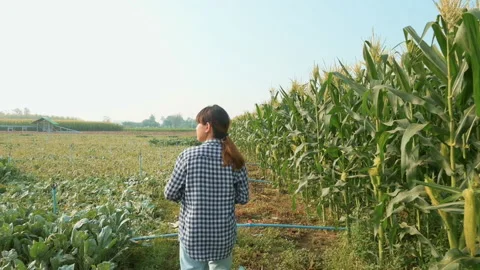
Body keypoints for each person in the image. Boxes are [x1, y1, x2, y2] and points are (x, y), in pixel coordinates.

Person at [164, 104, 249, 270]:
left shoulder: (187, 156)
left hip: (193, 235)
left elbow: (170, 193)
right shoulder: (234, 159)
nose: (196, 127)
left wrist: (191, 196)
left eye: (198, 123)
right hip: (223, 236)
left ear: (207, 127)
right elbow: (243, 198)